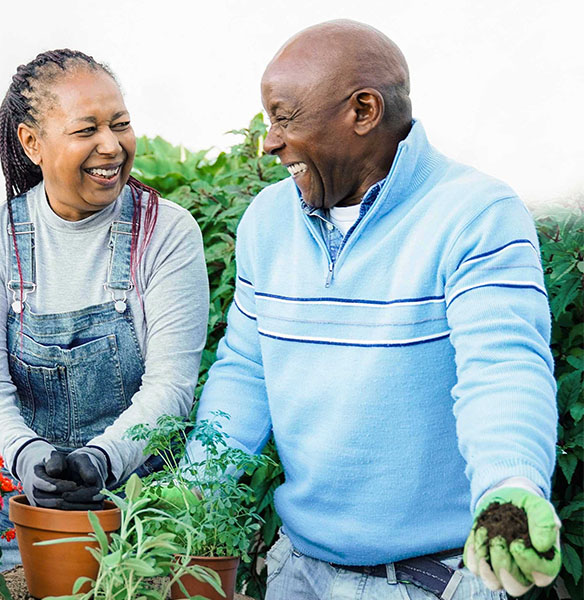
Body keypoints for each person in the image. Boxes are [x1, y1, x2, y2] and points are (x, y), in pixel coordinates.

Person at [191, 20, 561, 600]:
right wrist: (192, 498)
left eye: (284, 118)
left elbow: (503, 366)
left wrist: (510, 487)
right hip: (298, 573)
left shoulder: (475, 213)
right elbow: (245, 371)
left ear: (363, 110)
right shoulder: (267, 221)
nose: (269, 141)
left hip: (430, 582)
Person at [0, 49, 209, 570]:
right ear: (32, 143)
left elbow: (172, 385)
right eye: (86, 129)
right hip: (23, 514)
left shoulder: (166, 231)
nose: (111, 146)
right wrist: (27, 458)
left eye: (120, 124)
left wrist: (102, 459)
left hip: (142, 519)